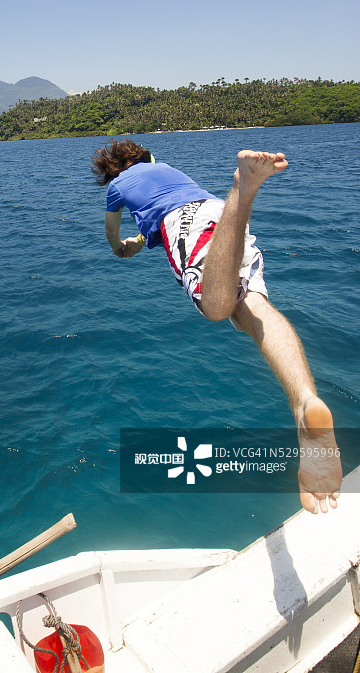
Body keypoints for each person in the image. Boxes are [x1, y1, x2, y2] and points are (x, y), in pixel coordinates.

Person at [91, 138, 342, 514]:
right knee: (251, 308)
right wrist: (144, 237)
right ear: (145, 158)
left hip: (191, 224)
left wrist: (120, 246)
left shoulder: (116, 187)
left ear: (113, 170)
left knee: (216, 306)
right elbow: (166, 205)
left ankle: (244, 189)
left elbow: (114, 231)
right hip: (213, 213)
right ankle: (304, 403)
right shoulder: (166, 170)